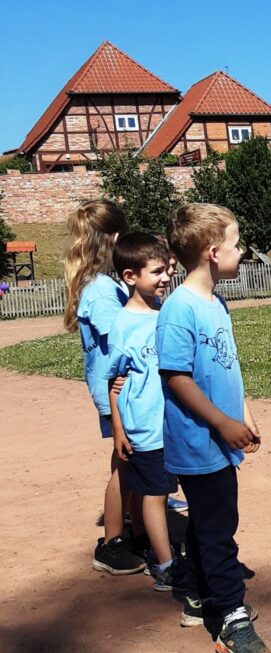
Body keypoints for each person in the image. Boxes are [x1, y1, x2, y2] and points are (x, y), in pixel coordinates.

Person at [157, 203, 270, 653]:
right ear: (211, 251)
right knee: (220, 528)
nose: (241, 252)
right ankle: (231, 616)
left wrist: (243, 413)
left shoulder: (216, 303)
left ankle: (197, 595)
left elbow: (227, 367)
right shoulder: (179, 309)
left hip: (220, 438)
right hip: (198, 441)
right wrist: (222, 423)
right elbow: (176, 378)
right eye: (236, 244)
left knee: (207, 522)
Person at [63, 199, 144, 574]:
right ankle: (113, 543)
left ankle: (138, 533)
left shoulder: (103, 286)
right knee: (125, 465)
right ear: (113, 239)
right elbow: (122, 338)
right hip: (119, 391)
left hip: (122, 388)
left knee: (132, 463)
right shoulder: (100, 290)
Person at [106, 233, 178, 590]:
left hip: (170, 423)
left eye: (167, 270)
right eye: (157, 272)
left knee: (157, 487)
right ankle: (165, 565)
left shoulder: (165, 312)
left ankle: (151, 543)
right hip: (144, 427)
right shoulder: (123, 324)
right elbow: (113, 381)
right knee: (156, 493)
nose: (165, 278)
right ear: (130, 276)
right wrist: (118, 430)